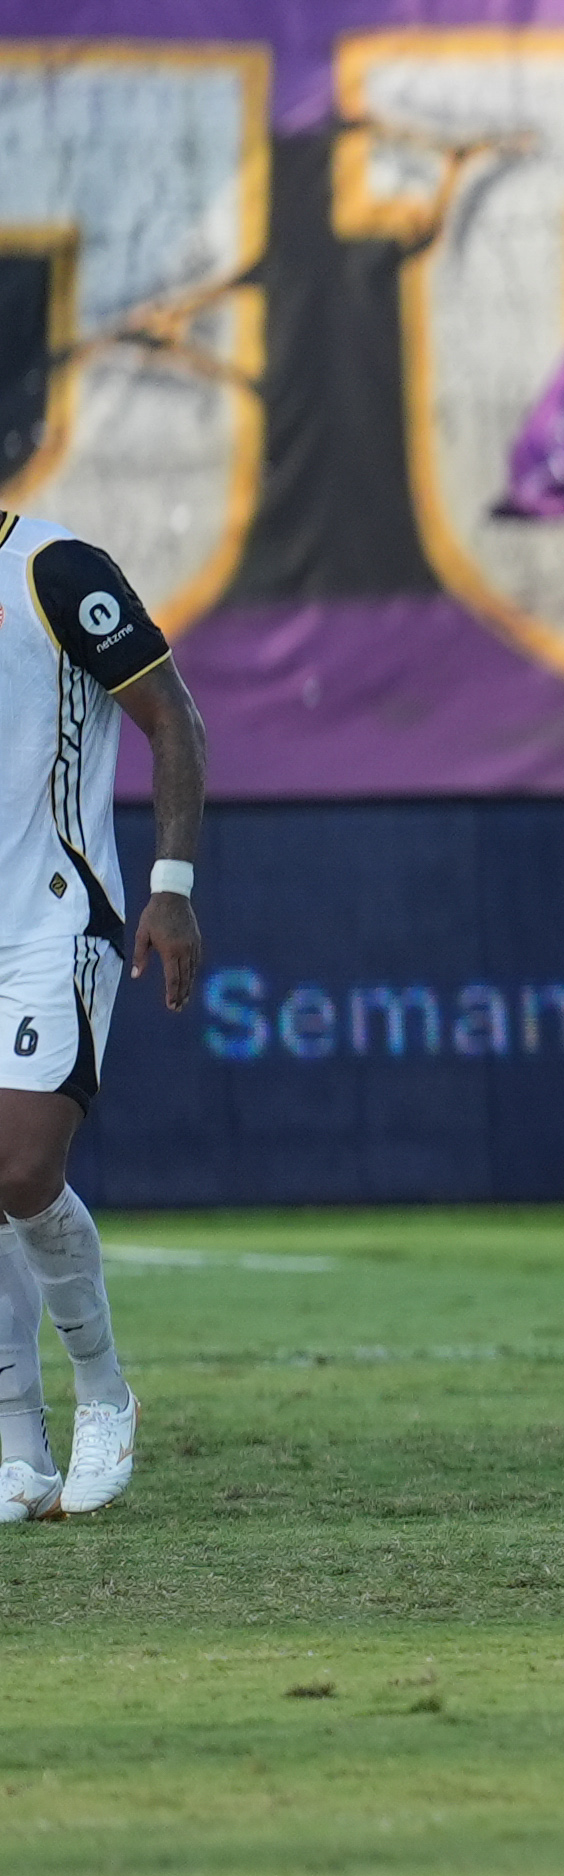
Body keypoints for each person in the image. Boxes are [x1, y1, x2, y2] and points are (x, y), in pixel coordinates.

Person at [0, 484, 210, 1517]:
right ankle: (14, 1445)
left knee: (21, 1164)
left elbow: (172, 717)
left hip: (52, 917)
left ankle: (104, 1391)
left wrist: (170, 888)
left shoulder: (52, 568)